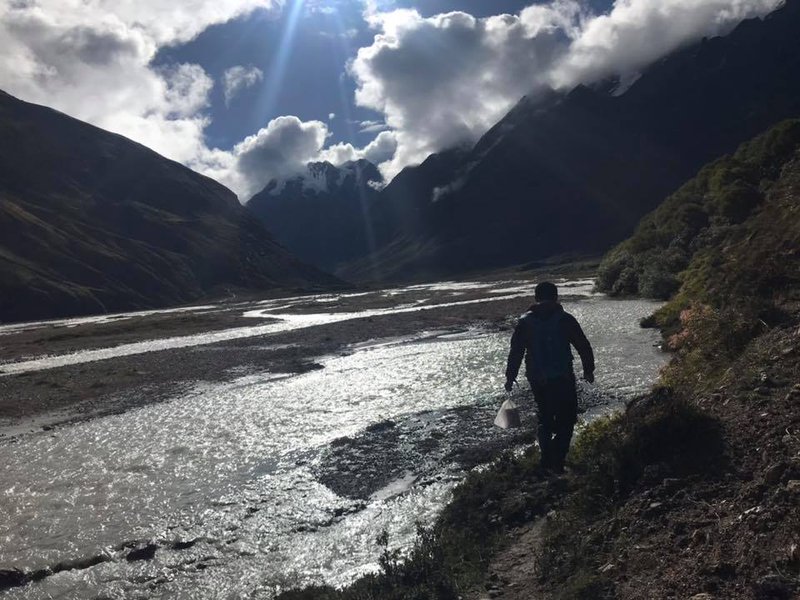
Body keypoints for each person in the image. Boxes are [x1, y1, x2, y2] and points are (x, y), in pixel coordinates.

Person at [504, 281, 595, 473]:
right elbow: (583, 346)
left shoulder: (525, 322)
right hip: (562, 376)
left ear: (536, 298)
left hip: (537, 379)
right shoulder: (565, 319)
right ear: (556, 297)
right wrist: (588, 370)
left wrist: (510, 377)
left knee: (545, 417)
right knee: (567, 418)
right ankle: (558, 460)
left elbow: (516, 352)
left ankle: (547, 460)